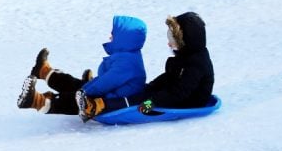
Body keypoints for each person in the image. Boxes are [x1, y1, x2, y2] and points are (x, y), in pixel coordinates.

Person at [77, 11, 215, 121]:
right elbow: (170, 77)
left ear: (187, 41)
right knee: (143, 93)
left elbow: (178, 93)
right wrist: (152, 86)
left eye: (173, 40)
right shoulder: (187, 55)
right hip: (175, 94)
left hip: (187, 102)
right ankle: (97, 100)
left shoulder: (196, 64)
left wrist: (152, 102)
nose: (169, 44)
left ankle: (99, 106)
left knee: (139, 101)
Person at [17, 15, 147, 115]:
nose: (110, 36)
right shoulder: (125, 56)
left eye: (114, 34)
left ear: (125, 38)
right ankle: (44, 72)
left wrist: (85, 91)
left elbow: (107, 82)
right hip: (110, 93)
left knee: (79, 96)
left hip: (111, 101)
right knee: (79, 86)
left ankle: (37, 101)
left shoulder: (128, 63)